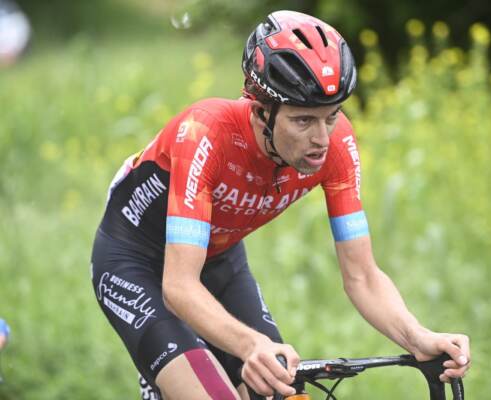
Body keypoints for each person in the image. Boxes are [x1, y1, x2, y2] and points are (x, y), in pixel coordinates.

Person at [91, 10, 471, 400]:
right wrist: (250, 344)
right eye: (303, 121)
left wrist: (416, 335)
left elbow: (362, 276)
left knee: (279, 391)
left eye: (331, 116)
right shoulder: (206, 132)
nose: (322, 139)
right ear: (261, 112)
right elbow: (178, 286)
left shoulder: (337, 145)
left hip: (218, 262)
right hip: (135, 263)